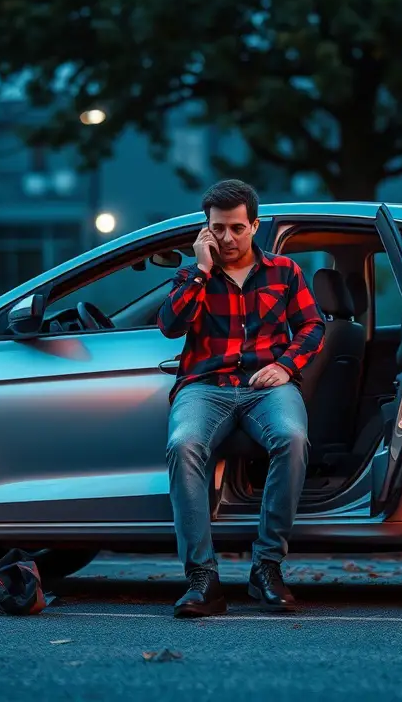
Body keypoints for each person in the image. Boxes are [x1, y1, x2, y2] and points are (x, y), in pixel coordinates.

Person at [157, 179, 326, 617]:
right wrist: (200, 270)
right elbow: (170, 326)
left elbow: (312, 326)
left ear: (254, 225)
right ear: (205, 230)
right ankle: (202, 578)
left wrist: (286, 365)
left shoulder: (284, 271)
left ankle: (267, 567)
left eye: (236, 228)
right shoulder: (193, 274)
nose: (227, 238)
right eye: (218, 229)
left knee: (291, 439)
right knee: (183, 444)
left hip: (264, 388)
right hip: (204, 388)